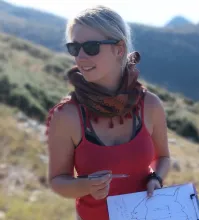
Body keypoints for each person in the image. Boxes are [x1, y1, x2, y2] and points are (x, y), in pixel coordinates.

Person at [45, 5, 171, 220]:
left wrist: (156, 178)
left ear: (119, 49)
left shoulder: (150, 105)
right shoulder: (66, 115)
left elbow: (164, 158)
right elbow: (58, 180)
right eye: (75, 48)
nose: (81, 57)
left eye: (92, 47)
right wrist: (86, 186)